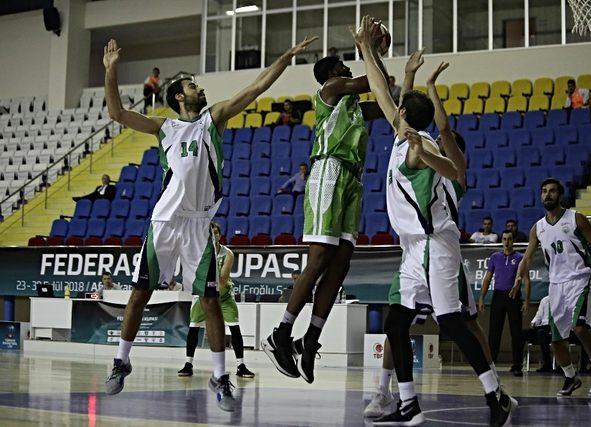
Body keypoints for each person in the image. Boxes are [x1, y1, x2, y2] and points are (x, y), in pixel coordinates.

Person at [101, 36, 316, 413]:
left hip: (200, 225)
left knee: (211, 300)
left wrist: (285, 57)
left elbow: (257, 87)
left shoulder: (212, 119)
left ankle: (219, 376)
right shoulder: (163, 128)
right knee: (139, 294)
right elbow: (117, 113)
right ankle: (122, 360)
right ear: (179, 97)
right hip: (165, 221)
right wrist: (111, 70)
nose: (199, 87)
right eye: (191, 85)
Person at [354, 22, 515, 426]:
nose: (393, 106)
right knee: (396, 321)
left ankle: (496, 396)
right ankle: (406, 404)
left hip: (435, 245)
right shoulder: (403, 132)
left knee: (452, 324)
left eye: (399, 105)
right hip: (414, 249)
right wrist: (365, 49)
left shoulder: (419, 145)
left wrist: (433, 157)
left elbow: (450, 163)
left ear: (405, 114)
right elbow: (378, 88)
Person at [262, 18, 387, 387]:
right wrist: (370, 49)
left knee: (342, 263)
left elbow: (384, 93)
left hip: (352, 179)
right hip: (328, 172)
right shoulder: (333, 88)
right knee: (319, 258)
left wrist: (379, 60)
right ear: (331, 72)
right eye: (342, 64)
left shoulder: (354, 109)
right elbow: (369, 82)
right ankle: (280, 332)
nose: (347, 66)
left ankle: (309, 339)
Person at [516, 177, 591, 397]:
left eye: (552, 191)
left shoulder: (576, 219)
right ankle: (570, 377)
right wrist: (519, 277)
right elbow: (527, 258)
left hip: (579, 279)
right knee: (556, 339)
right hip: (556, 284)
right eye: (544, 191)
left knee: (579, 328)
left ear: (560, 195)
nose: (547, 195)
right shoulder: (537, 228)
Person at [178, 222, 255, 379]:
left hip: (224, 296)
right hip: (203, 295)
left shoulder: (228, 254)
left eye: (216, 233)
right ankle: (188, 364)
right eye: (211, 233)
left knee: (235, 328)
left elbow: (222, 281)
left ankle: (240, 365)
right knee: (193, 328)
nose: (214, 236)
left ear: (220, 235)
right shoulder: (198, 253)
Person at [478, 230, 530, 377]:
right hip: (498, 296)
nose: (507, 242)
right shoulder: (495, 257)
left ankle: (517, 365)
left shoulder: (520, 257)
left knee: (516, 332)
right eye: (504, 239)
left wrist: (526, 301)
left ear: (513, 241)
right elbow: (488, 278)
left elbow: (526, 280)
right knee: (494, 332)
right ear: (502, 241)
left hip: (513, 296)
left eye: (509, 239)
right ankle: (491, 363)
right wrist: (482, 297)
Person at [523, 295, 553, 372]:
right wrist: (533, 323)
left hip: (553, 327)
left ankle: (547, 364)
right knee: (523, 333)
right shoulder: (545, 300)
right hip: (542, 326)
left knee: (541, 333)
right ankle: (518, 363)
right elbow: (538, 316)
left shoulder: (562, 300)